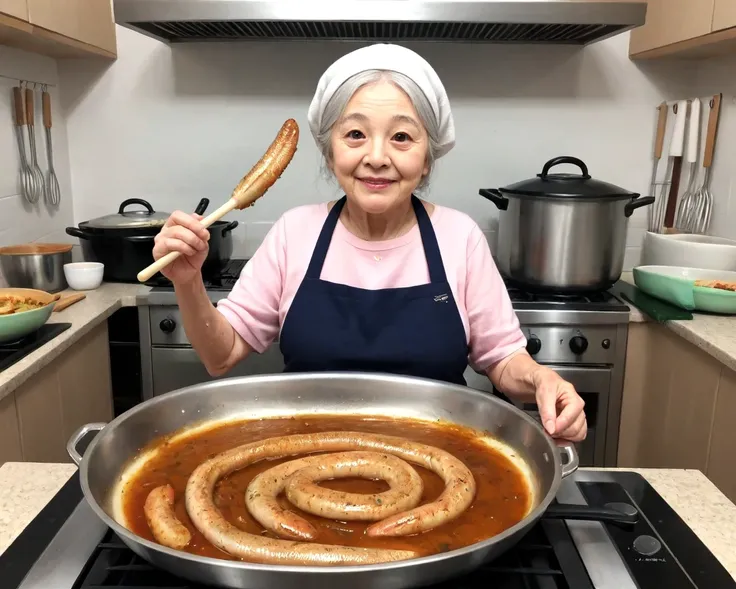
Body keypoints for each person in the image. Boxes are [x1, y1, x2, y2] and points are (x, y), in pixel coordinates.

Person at [152, 44, 587, 443]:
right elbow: (220, 355)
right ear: (330, 152)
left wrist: (542, 381)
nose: (376, 157)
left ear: (427, 157)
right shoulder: (294, 233)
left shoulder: (460, 237)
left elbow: (504, 361)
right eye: (355, 134)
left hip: (438, 462)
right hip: (302, 461)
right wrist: (187, 283)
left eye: (401, 137)